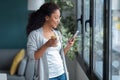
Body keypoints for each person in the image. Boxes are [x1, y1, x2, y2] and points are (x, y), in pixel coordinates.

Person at [26, 2, 75, 80]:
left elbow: (60, 55)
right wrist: (46, 45)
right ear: (47, 17)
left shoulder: (57, 33)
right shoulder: (34, 35)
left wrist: (68, 46)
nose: (58, 20)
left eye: (59, 18)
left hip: (61, 73)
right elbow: (32, 56)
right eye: (56, 17)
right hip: (47, 76)